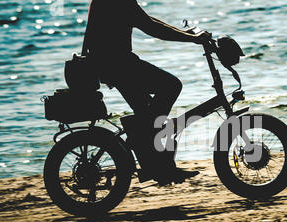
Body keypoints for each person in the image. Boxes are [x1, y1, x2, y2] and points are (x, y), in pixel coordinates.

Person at [84, 0, 210, 185]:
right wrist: (192, 39)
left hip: (110, 64)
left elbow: (147, 20)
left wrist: (186, 33)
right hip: (119, 64)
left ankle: (159, 165)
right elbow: (152, 28)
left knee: (146, 113)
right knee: (171, 85)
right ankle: (150, 148)